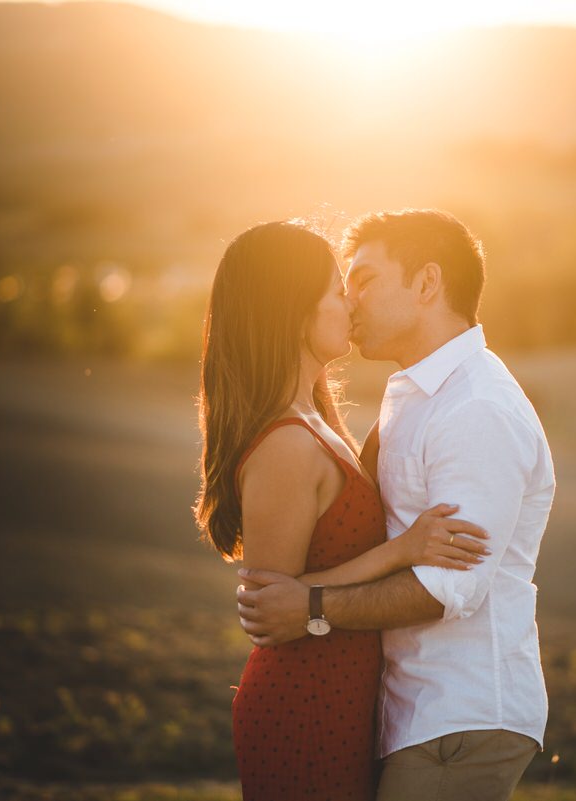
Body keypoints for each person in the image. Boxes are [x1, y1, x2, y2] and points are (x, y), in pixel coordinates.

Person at [237, 209, 557, 801]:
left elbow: (448, 588)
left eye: (364, 280)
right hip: (410, 715)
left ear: (427, 283)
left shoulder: (476, 408)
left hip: (461, 713)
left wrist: (311, 607)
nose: (351, 301)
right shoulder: (410, 397)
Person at [194, 220, 490, 801]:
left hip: (344, 695)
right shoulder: (284, 444)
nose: (350, 304)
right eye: (337, 291)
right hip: (305, 700)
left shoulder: (318, 423)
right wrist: (400, 552)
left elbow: (301, 597)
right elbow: (274, 608)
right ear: (295, 311)